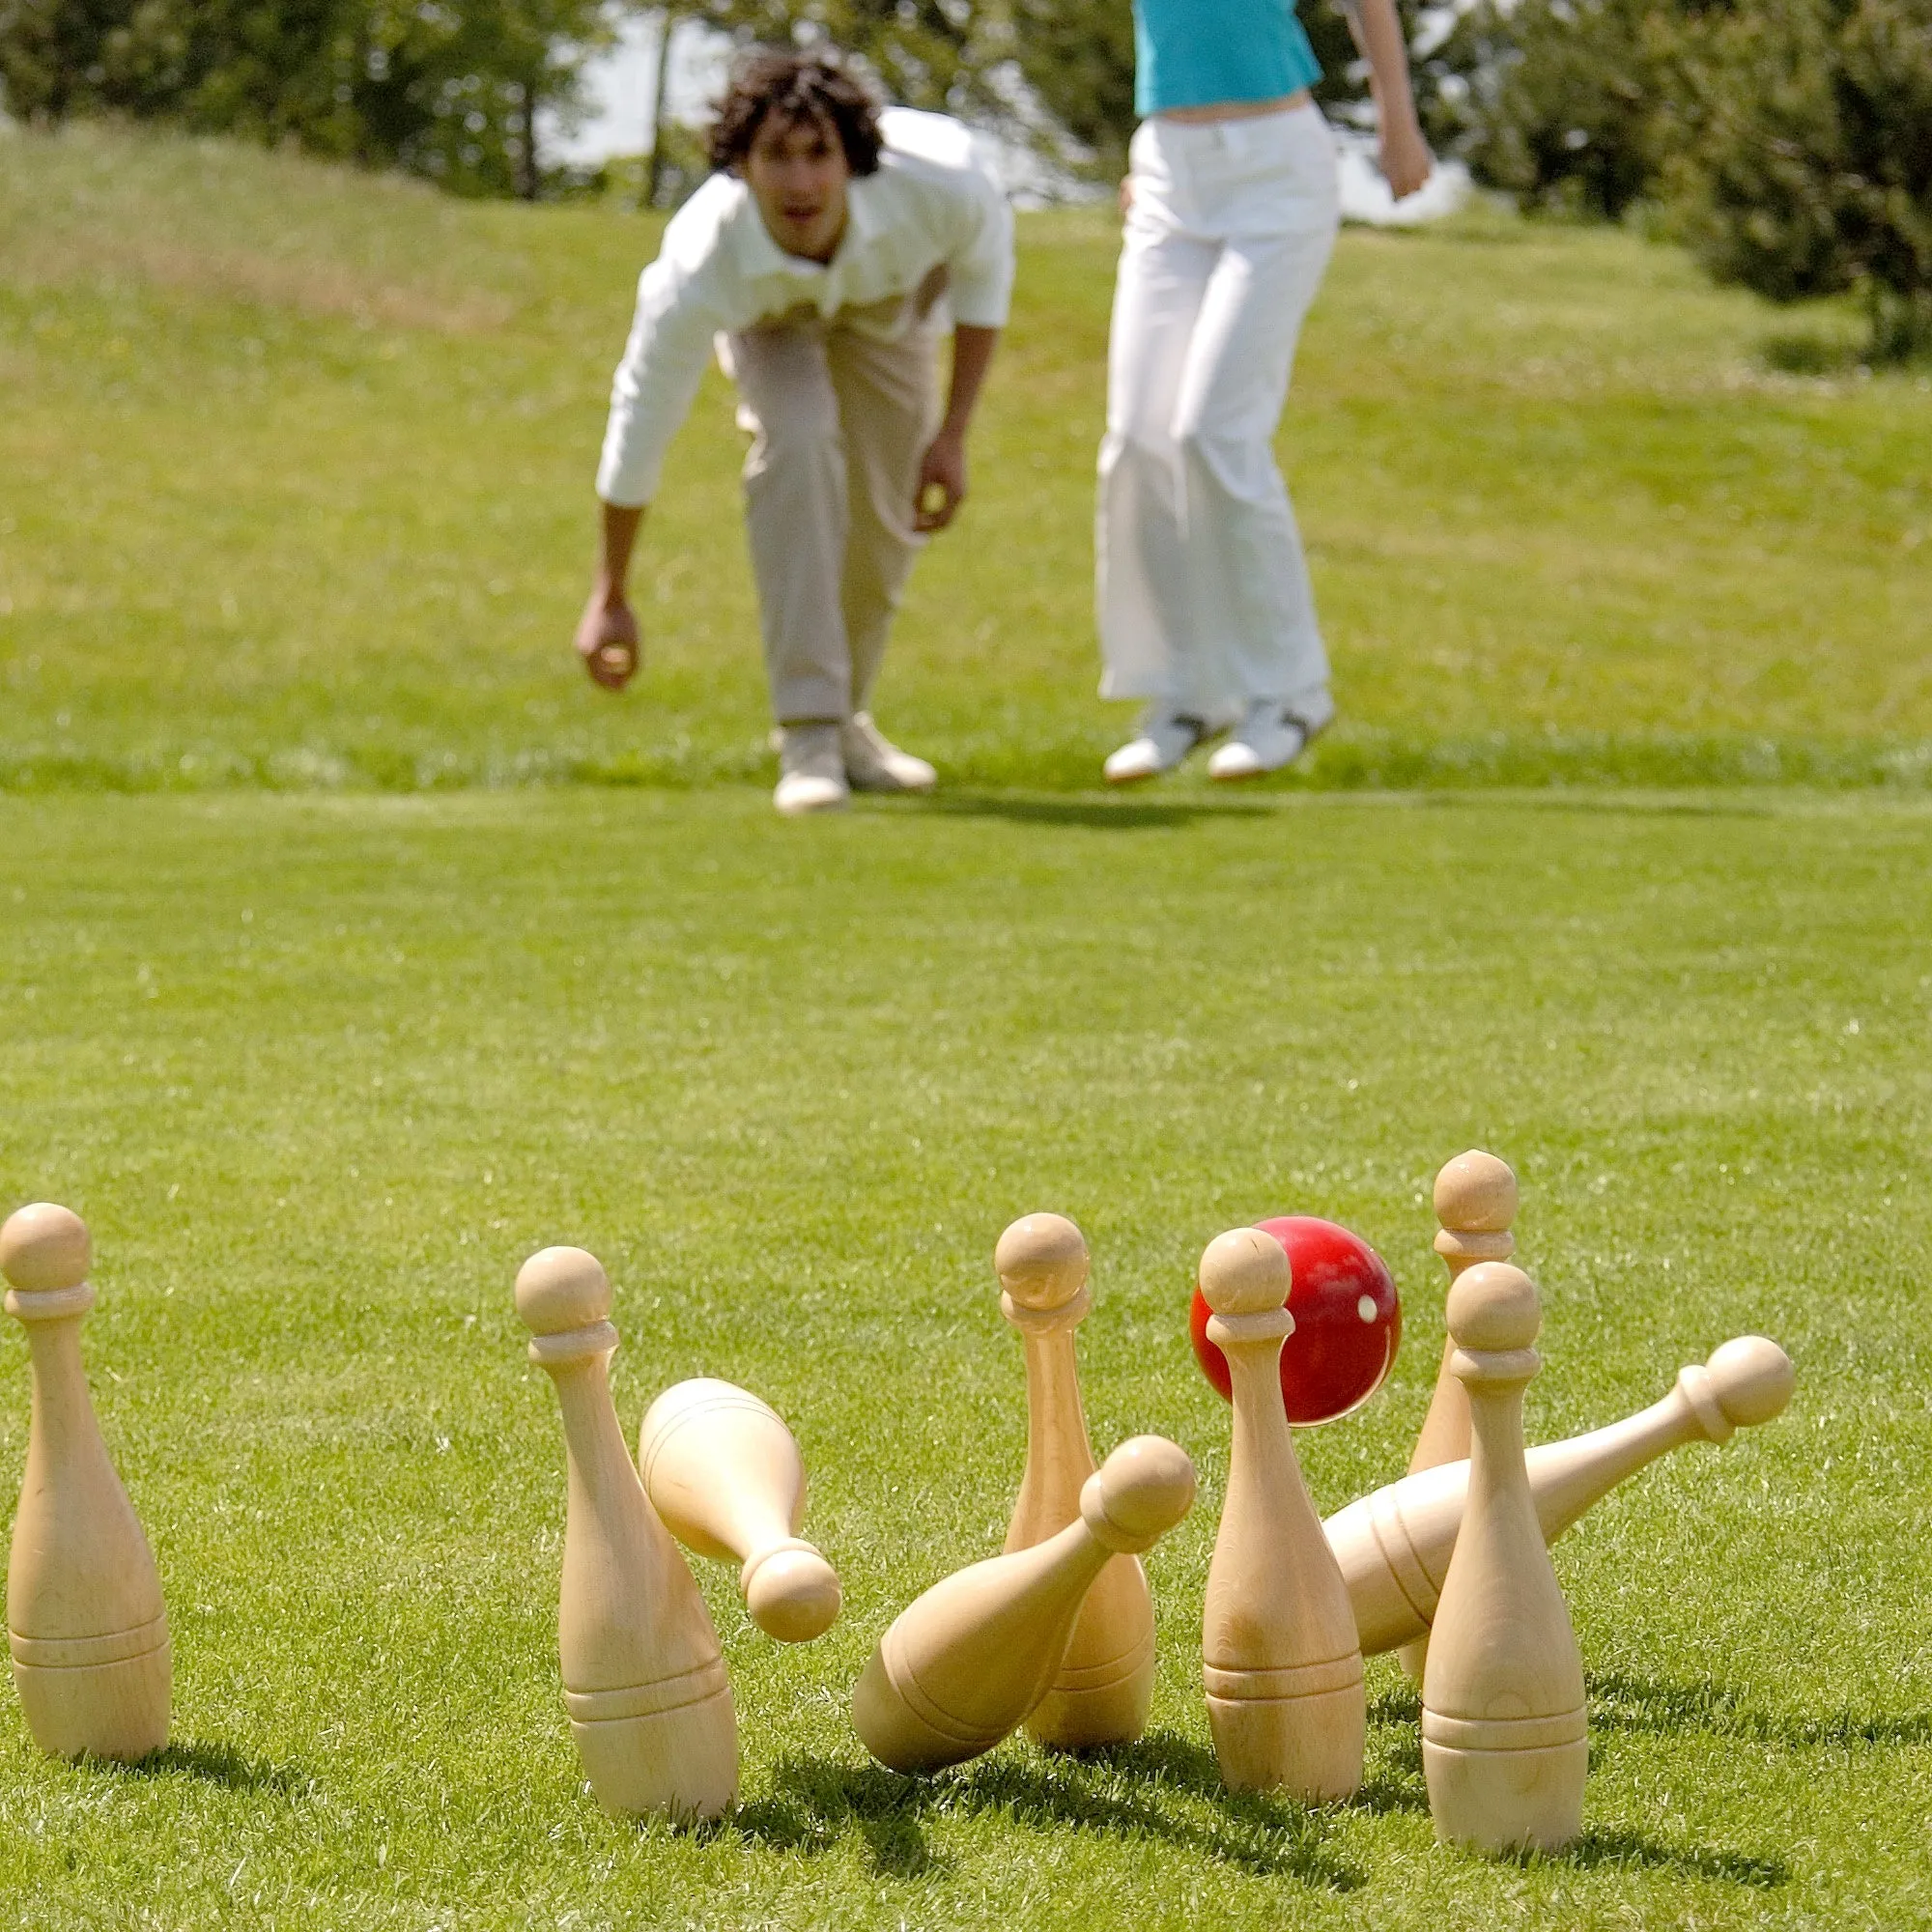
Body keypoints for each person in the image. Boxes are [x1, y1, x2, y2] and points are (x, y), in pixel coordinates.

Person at [576, 49, 1014, 816]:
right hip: (765, 319)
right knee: (801, 441)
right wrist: (611, 591)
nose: (801, 183)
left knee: (886, 515)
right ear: (739, 166)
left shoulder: (945, 185)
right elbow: (642, 415)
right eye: (775, 156)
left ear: (854, 161)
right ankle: (808, 733)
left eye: (819, 155)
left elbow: (984, 284)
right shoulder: (700, 259)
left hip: (891, 304)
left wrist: (952, 435)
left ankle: (848, 721)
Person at [1097, 0, 1433, 783]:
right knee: (1138, 436)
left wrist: (1398, 125)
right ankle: (1187, 693)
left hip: (1276, 167)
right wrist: (1149, 159)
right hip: (1168, 171)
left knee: (1212, 430)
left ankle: (1288, 693)